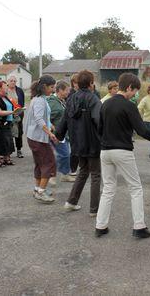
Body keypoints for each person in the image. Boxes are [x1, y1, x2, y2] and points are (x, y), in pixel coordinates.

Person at [95, 73, 150, 239]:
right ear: (129, 87)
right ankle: (139, 226)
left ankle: (100, 225)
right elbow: (143, 131)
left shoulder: (105, 104)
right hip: (122, 150)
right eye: (135, 91)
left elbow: (99, 128)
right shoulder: (129, 105)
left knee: (108, 188)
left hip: (105, 151)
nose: (135, 95)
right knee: (135, 188)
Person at [56, 70, 102, 216]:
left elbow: (64, 120)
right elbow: (98, 120)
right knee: (95, 174)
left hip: (77, 143)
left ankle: (71, 202)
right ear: (91, 83)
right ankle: (95, 210)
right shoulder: (93, 99)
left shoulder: (70, 99)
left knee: (83, 171)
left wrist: (58, 135)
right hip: (92, 143)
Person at [24, 75, 58, 203]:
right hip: (37, 138)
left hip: (35, 137)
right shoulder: (39, 100)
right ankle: (41, 192)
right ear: (44, 87)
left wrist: (50, 125)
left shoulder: (40, 98)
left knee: (40, 164)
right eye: (51, 87)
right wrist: (49, 132)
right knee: (49, 162)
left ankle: (38, 189)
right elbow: (38, 119)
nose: (53, 89)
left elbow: (43, 117)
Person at [47, 80, 75, 183]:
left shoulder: (61, 101)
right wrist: (52, 127)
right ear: (60, 90)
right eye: (67, 90)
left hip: (63, 133)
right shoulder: (52, 102)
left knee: (65, 154)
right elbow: (46, 117)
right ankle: (53, 175)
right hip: (56, 134)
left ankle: (64, 174)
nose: (68, 92)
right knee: (64, 154)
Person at [7, 76, 26, 159]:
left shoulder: (19, 90)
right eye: (11, 81)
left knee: (19, 132)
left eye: (14, 81)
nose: (13, 82)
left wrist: (20, 110)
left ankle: (19, 150)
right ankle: (8, 151)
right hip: (8, 114)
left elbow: (22, 102)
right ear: (8, 82)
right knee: (9, 133)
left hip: (18, 114)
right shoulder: (5, 90)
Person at [67, 73, 79, 175]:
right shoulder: (71, 95)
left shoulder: (79, 93)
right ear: (73, 83)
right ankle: (72, 169)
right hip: (72, 124)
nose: (77, 84)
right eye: (75, 82)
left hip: (78, 125)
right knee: (74, 148)